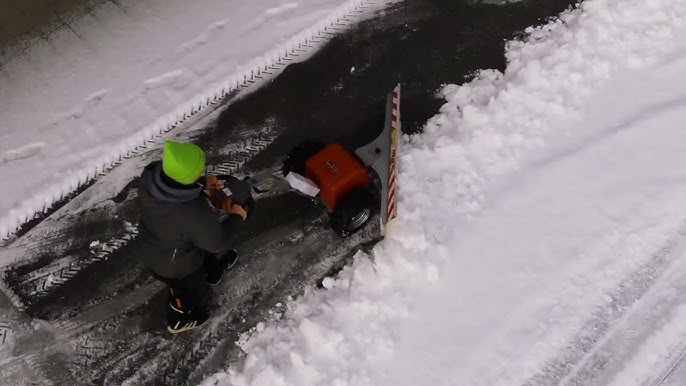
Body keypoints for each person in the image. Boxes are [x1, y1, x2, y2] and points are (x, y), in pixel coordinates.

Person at [136, 140, 247, 334]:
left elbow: (177, 185)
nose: (203, 170)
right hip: (174, 265)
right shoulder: (190, 212)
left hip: (159, 239)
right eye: (199, 170)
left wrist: (202, 183)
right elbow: (218, 242)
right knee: (191, 290)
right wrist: (237, 217)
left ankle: (212, 272)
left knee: (200, 247)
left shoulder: (152, 177)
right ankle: (180, 315)